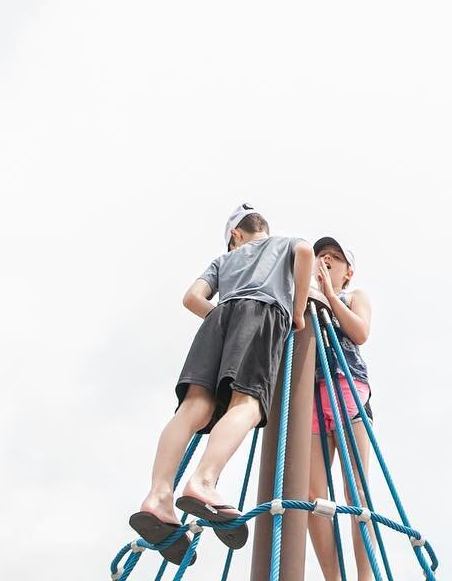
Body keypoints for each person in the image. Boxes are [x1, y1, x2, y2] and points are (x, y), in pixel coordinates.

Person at [130, 202, 313, 563]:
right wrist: (297, 311)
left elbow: (191, 298)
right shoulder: (281, 244)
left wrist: (221, 320)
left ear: (235, 234)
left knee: (194, 407)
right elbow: (305, 250)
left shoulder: (223, 261)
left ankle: (158, 496)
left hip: (218, 320)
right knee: (246, 405)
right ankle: (203, 482)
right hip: (261, 313)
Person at [305, 235, 377, 581]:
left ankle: (364, 576)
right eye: (321, 256)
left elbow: (360, 332)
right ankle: (332, 577)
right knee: (312, 496)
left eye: (334, 257)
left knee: (356, 488)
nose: (326, 261)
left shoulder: (353, 296)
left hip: (348, 389)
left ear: (348, 272)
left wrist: (331, 297)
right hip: (313, 398)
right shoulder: (304, 301)